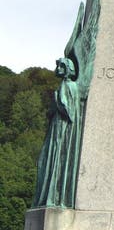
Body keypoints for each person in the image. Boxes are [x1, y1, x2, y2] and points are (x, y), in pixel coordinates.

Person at [33, 58, 81, 209]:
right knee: (44, 159)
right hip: (56, 126)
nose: (59, 69)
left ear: (68, 69)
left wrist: (57, 101)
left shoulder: (71, 86)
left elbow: (69, 111)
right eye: (58, 66)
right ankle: (47, 196)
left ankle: (54, 196)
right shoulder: (63, 85)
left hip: (62, 127)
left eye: (62, 66)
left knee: (54, 156)